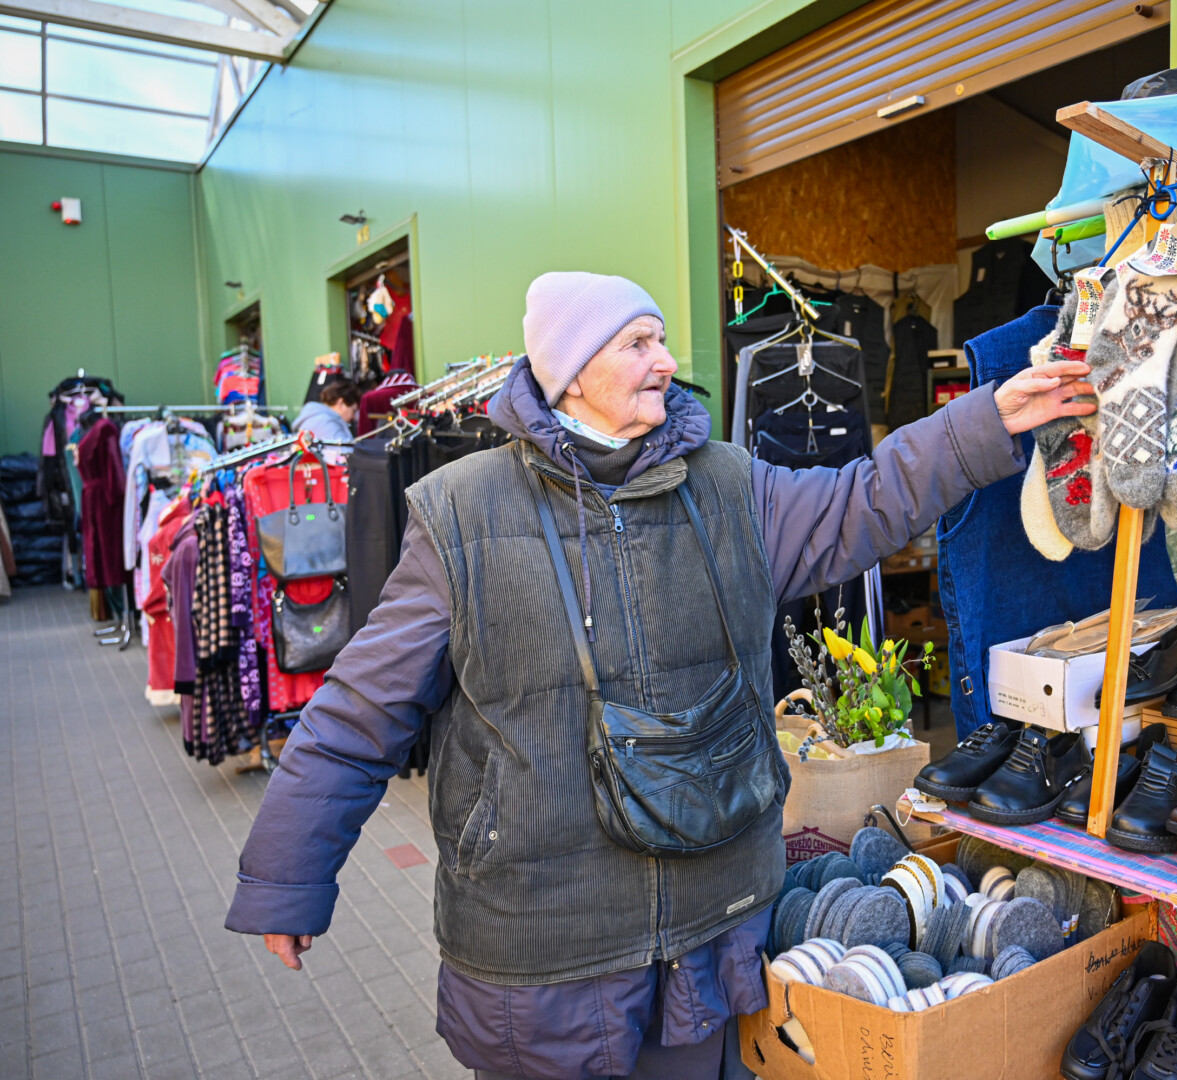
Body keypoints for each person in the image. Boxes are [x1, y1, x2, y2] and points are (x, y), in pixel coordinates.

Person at [225, 272, 1094, 1080]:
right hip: (545, 943)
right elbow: (358, 713)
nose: (668, 362)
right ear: (568, 370)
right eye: (638, 343)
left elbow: (861, 499)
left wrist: (986, 419)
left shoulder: (724, 485)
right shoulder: (460, 514)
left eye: (662, 340)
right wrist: (289, 877)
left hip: (705, 925)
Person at [293, 376, 360, 458]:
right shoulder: (328, 424)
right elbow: (348, 455)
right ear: (341, 403)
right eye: (353, 410)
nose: (354, 417)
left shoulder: (314, 417)